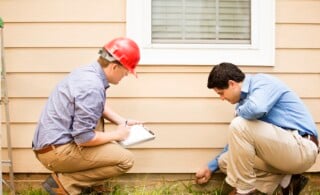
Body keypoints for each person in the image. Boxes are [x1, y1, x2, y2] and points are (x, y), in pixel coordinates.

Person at [32, 37, 142, 195]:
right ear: (114, 66)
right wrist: (117, 134)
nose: (126, 76)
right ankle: (65, 185)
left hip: (51, 145)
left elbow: (96, 106)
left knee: (100, 130)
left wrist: (122, 121)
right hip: (56, 152)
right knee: (126, 160)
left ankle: (81, 186)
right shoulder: (91, 87)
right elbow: (84, 138)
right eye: (126, 71)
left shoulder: (88, 72)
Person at [195, 62, 319, 195]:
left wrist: (238, 114)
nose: (222, 98)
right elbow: (236, 144)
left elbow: (257, 109)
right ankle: (286, 180)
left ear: (232, 84)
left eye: (221, 93)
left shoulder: (263, 83)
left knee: (238, 125)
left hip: (302, 148)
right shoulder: (244, 108)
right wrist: (210, 167)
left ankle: (244, 190)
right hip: (281, 154)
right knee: (225, 161)